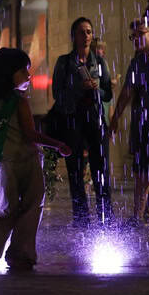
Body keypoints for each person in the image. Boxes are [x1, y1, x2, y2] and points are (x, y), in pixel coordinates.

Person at [0, 48, 72, 270]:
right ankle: (21, 253)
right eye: (24, 71)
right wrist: (58, 144)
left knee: (7, 208)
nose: (29, 76)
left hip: (4, 163)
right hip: (27, 161)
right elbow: (30, 135)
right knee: (31, 207)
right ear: (9, 72)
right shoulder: (18, 101)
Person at [51, 17, 114, 227]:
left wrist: (97, 87)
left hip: (95, 120)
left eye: (89, 32)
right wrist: (78, 87)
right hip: (73, 120)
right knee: (75, 170)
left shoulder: (99, 62)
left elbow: (107, 94)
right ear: (74, 36)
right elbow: (56, 94)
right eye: (81, 32)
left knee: (100, 170)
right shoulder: (64, 62)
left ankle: (106, 216)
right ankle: (81, 218)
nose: (86, 36)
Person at [109, 20, 149, 225]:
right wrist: (115, 118)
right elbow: (127, 92)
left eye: (140, 34)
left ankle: (145, 213)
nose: (135, 39)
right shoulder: (138, 62)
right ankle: (139, 214)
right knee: (142, 171)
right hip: (144, 123)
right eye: (133, 36)